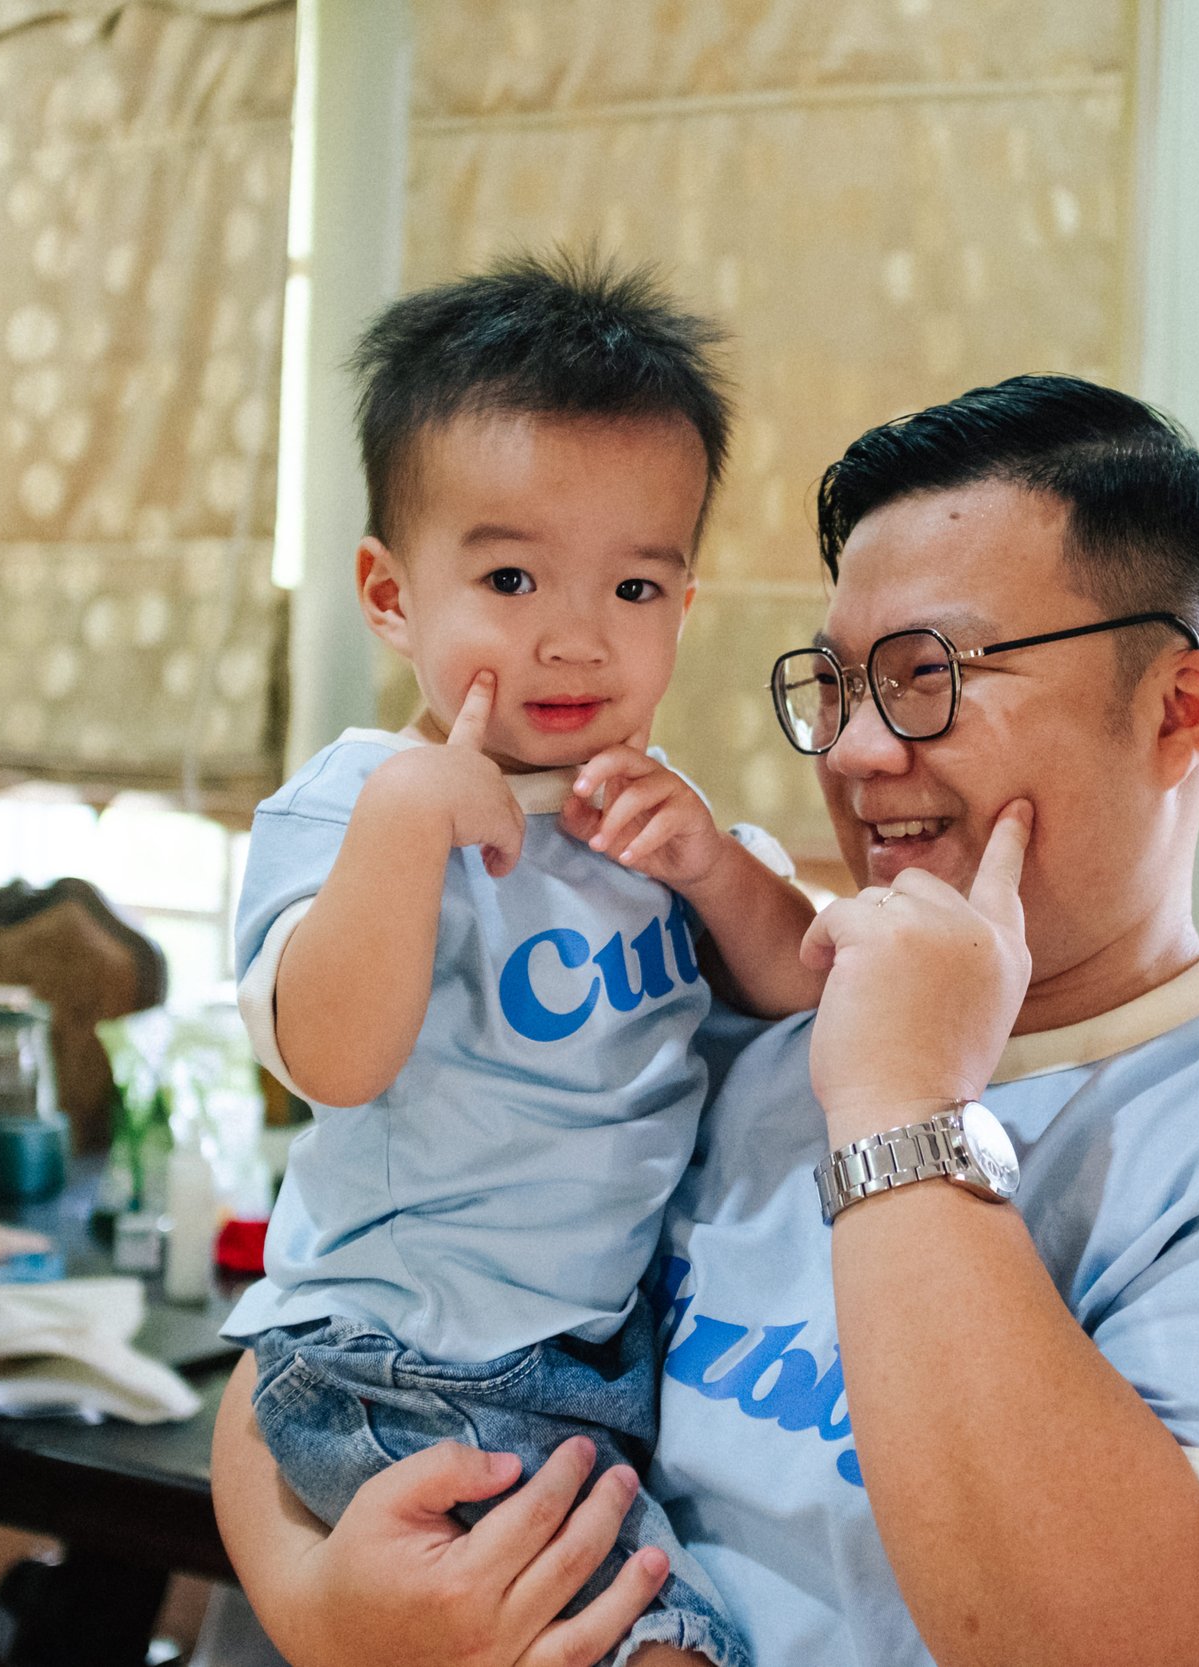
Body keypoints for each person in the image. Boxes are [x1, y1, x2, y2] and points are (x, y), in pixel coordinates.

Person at [213, 374, 1199, 1667]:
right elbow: (341, 1330)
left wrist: (904, 1105)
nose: (856, 752)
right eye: (838, 684)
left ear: (1177, 710)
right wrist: (322, 1610)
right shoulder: (728, 1012)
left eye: (929, 677)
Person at [222, 257, 824, 1667]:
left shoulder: (661, 822)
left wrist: (717, 870)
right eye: (507, 576)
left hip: (585, 1362)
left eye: (633, 583)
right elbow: (332, 1054)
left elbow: (800, 983)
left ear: (684, 607)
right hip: (402, 1353)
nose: (573, 633)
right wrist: (403, 832)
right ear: (389, 594)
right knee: (650, 1642)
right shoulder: (354, 798)